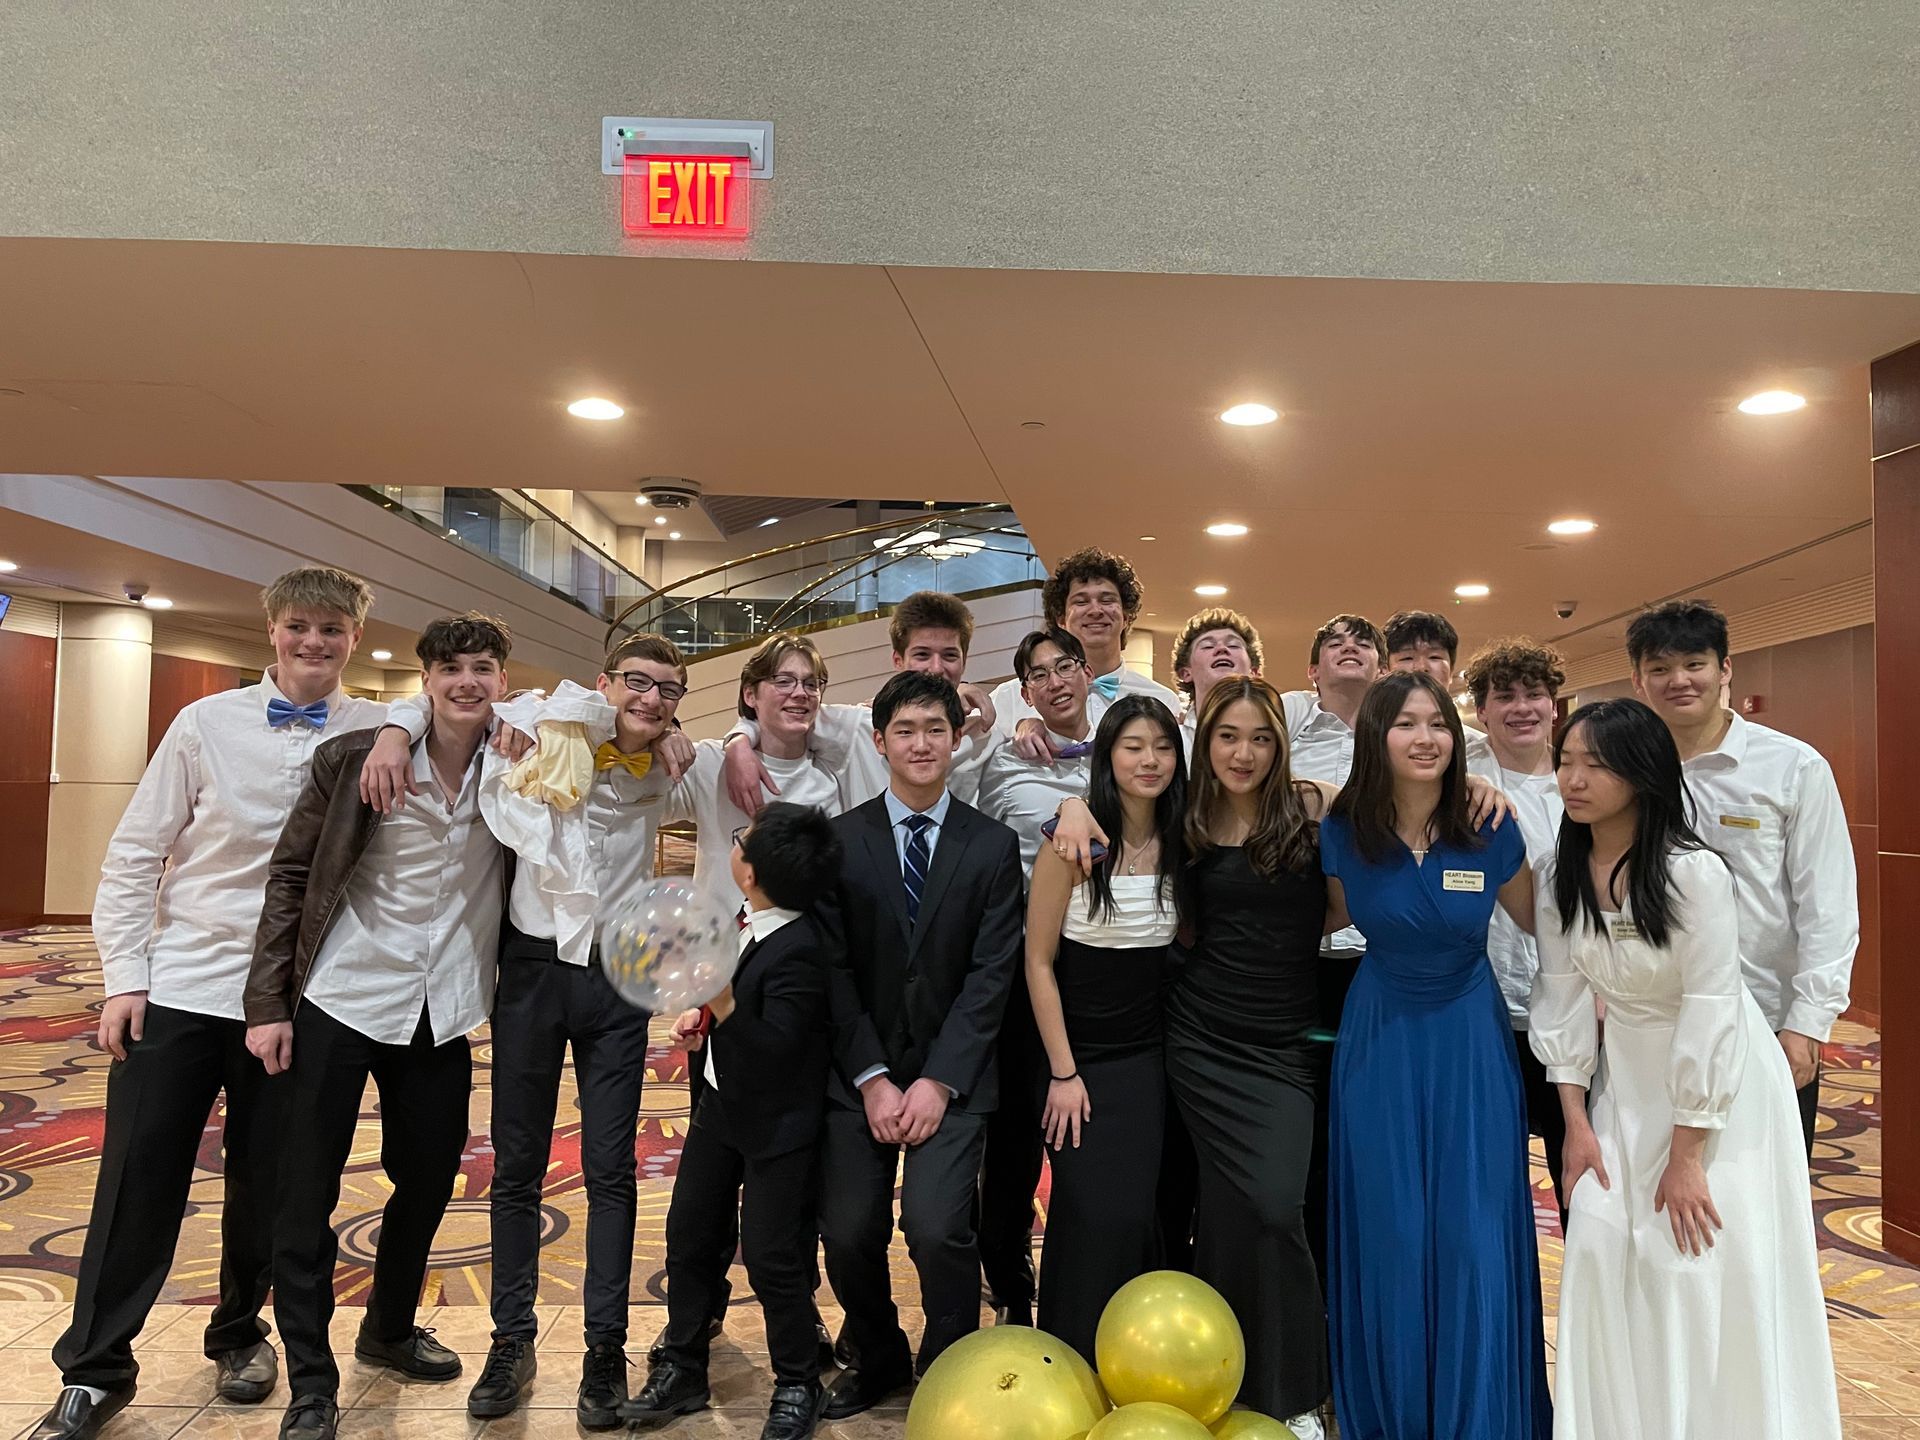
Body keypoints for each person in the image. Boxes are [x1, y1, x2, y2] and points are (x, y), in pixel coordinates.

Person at [30, 568, 382, 1440]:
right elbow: (134, 854)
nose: (314, 643)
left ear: (353, 640)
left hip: (298, 1000)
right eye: (300, 626)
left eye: (332, 631)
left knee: (269, 1183)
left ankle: (237, 1334)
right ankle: (96, 1367)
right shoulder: (203, 724)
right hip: (184, 984)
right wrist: (124, 977)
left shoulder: (380, 730)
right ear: (272, 630)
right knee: (138, 1178)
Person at [358, 634, 693, 1425]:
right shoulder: (542, 725)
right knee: (517, 1165)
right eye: (636, 683)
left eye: (668, 690)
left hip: (616, 979)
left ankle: (605, 1349)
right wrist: (394, 729)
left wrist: (674, 733)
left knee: (612, 1168)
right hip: (532, 975)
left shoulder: (672, 765)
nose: (649, 699)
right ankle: (512, 1339)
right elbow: (456, 700)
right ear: (607, 682)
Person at [1532, 698, 1842, 1439]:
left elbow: (1710, 1009)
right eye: (1566, 761)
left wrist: (1687, 1155)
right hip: (1623, 1087)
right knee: (1603, 1249)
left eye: (1594, 764)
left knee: (1693, 1266)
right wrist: (1574, 1122)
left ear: (1641, 775)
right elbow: (1562, 1004)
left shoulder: (1692, 873)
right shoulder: (1559, 874)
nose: (1573, 779)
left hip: (1720, 1091)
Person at [244, 613, 514, 1440]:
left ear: (502, 679)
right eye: (451, 669)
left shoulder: (516, 764)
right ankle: (311, 1382)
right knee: (307, 1190)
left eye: (483, 668)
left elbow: (605, 707)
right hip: (344, 994)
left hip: (445, 1006)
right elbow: (291, 876)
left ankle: (388, 1326)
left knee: (431, 1177)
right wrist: (266, 1005)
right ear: (427, 678)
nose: (468, 681)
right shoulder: (355, 757)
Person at [1321, 671, 1550, 1440]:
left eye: (1439, 724)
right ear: (1375, 736)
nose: (1426, 738)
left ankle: (1478, 1411)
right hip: (1379, 1041)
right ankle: (1392, 1410)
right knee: (1391, 1229)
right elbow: (1318, 918)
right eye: (1406, 724)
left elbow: (1550, 931)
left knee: (1471, 1233)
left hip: (1469, 1043)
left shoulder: (1489, 826)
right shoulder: (1344, 830)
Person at [815, 672, 1024, 1419]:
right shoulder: (840, 842)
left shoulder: (992, 846)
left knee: (938, 1227)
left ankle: (950, 1360)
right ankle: (877, 1352)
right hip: (859, 1074)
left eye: (936, 728)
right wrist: (873, 1078)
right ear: (880, 742)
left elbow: (991, 974)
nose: (922, 743)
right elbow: (832, 970)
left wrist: (937, 1082)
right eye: (905, 730)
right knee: (846, 1231)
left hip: (954, 1075)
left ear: (957, 736)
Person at [628, 803, 847, 1440]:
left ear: (749, 873)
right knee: (691, 1235)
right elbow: (736, 1012)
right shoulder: (743, 923)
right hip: (719, 1112)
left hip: (778, 1129)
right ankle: (685, 1366)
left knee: (775, 1257)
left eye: (739, 843)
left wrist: (722, 1001)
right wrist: (705, 1016)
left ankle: (798, 1381)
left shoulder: (802, 948)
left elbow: (776, 1048)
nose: (733, 848)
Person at [1626, 598, 1857, 1158]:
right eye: (1659, 669)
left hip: (1765, 1017)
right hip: (1654, 1018)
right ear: (1638, 680)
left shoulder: (1792, 767)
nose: (1678, 680)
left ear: (1725, 669)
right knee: (1662, 1184)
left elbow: (1827, 904)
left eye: (1695, 664)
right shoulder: (1624, 769)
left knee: (1765, 1190)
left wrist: (1807, 1023)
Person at [1165, 678, 1334, 1437]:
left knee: (1275, 1205)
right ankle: (1222, 1378)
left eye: (1260, 737)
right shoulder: (1185, 819)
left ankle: (1293, 1387)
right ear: (1205, 742)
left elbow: (1342, 905)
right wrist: (1070, 806)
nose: (1244, 752)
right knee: (1234, 1214)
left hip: (1284, 1045)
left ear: (1280, 744)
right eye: (1228, 736)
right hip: (1202, 1039)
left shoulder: (1310, 811)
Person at [1024, 696, 1185, 1362]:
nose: (1149, 760)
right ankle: (1070, 1359)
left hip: (1157, 1062)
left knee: (1145, 1216)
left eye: (1163, 747)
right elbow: (1037, 961)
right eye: (1133, 746)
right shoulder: (1073, 844)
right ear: (1106, 756)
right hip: (1082, 1064)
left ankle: (1136, 1364)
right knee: (1094, 1217)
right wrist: (1063, 1073)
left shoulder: (1187, 840)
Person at [973, 626, 1097, 1323]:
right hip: (1028, 965)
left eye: (1065, 667)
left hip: (1109, 968)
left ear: (1086, 675)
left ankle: (1084, 1280)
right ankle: (1012, 1286)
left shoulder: (1122, 749)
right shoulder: (1001, 764)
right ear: (1024, 691)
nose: (1055, 681)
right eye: (1040, 675)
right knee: (1016, 1136)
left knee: (1088, 1131)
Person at [1464, 636, 1572, 1222]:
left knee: (1581, 1172)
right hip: (1487, 1010)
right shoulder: (1457, 779)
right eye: (1504, 697)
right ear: (1481, 710)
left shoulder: (1584, 779)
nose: (1521, 708)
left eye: (1534, 694)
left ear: (1554, 704)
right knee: (1490, 1179)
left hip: (1577, 1009)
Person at [722, 590, 1001, 812]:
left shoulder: (983, 734)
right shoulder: (857, 727)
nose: (936, 668)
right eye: (922, 655)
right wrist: (739, 742)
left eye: (950, 656)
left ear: (964, 661)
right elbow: (781, 715)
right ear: (898, 660)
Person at [671, 634, 843, 912]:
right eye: (783, 681)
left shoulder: (829, 778)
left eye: (811, 684)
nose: (800, 693)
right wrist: (665, 734)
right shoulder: (710, 762)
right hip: (718, 945)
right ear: (750, 694)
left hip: (793, 943)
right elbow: (643, 799)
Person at [997, 547, 1181, 760]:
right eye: (1081, 602)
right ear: (1061, 619)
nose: (1095, 611)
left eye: (1107, 600)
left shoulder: (1162, 700)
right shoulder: (1008, 698)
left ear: (1127, 617)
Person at [1382, 609, 1493, 762]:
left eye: (1434, 657)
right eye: (1407, 658)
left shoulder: (1476, 750)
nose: (1421, 667)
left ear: (1451, 670)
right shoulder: (1365, 742)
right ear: (1385, 670)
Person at [1169, 606, 1263, 749]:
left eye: (1233, 645)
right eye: (1207, 646)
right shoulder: (1172, 741)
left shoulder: (1273, 737)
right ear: (1186, 673)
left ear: (1253, 672)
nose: (1222, 649)